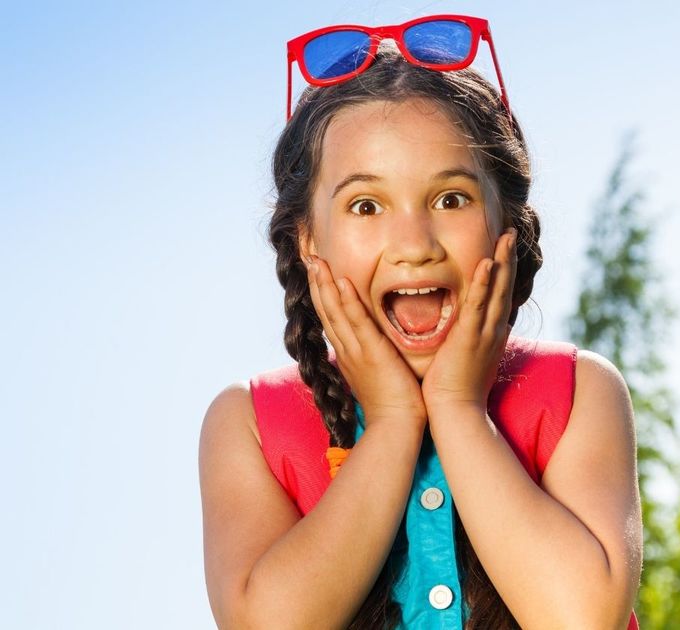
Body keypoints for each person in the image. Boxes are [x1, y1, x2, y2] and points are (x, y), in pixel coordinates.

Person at [199, 14, 642, 629]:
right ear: (307, 243)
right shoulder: (249, 422)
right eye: (365, 205)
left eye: (451, 199)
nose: (414, 243)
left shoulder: (577, 390)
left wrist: (459, 409)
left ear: (506, 223)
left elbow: (579, 617)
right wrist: (391, 424)